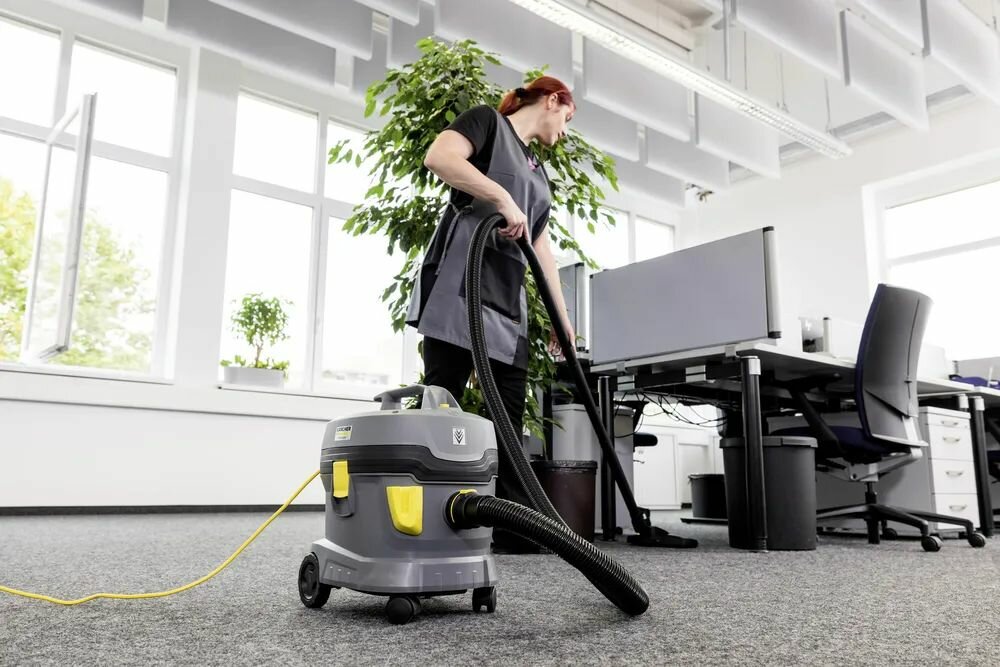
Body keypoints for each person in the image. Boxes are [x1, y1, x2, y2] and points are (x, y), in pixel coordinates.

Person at [405, 76, 577, 553]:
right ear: (553, 100)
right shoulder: (486, 123)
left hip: (506, 299)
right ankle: (423, 514)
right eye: (567, 118)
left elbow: (541, 247)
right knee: (442, 402)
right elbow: (440, 157)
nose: (565, 130)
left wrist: (561, 317)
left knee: (509, 413)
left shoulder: (538, 171)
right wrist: (501, 198)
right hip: (460, 286)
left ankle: (513, 525)